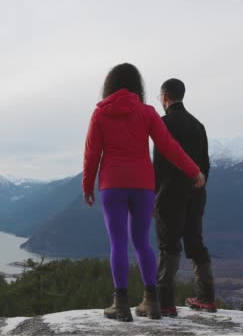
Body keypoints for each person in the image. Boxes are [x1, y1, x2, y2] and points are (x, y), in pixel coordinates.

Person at [82, 63, 206, 322]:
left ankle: (121, 304)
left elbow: (92, 154)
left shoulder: (100, 114)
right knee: (142, 243)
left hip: (112, 185)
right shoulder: (147, 112)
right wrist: (194, 171)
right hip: (143, 186)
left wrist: (87, 185)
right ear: (137, 85)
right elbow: (170, 147)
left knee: (118, 243)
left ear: (109, 86)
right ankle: (151, 302)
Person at [154, 78, 215, 317]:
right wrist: (198, 186)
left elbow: (159, 163)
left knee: (168, 245)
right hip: (196, 192)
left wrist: (152, 194)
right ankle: (206, 298)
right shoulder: (198, 125)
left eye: (160, 97)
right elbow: (206, 165)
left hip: (170, 193)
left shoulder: (163, 123)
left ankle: (165, 303)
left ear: (165, 97)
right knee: (195, 242)